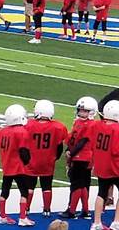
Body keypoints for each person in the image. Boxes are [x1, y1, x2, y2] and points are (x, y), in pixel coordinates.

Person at [24, 100, 68, 218]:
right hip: (48, 161)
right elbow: (59, 147)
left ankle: (26, 208)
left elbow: (23, 144)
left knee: (29, 186)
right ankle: (47, 209)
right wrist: (54, 158)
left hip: (32, 161)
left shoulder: (28, 125)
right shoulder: (58, 127)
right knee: (47, 186)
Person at [60, 96, 98, 219]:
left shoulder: (91, 124)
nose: (81, 112)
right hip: (81, 156)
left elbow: (82, 142)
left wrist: (71, 154)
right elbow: (73, 139)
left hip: (82, 157)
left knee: (77, 184)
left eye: (85, 110)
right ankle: (85, 211)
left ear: (91, 112)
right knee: (82, 184)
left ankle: (72, 211)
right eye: (80, 110)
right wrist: (68, 149)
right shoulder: (78, 122)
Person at [0, 104, 33, 226]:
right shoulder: (21, 132)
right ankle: (22, 217)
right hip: (18, 167)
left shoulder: (0, 132)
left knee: (4, 192)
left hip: (6, 166)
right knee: (24, 192)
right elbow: (23, 151)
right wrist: (27, 162)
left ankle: (2, 216)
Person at [90, 100, 119, 230]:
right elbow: (116, 150)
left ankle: (97, 222)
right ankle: (116, 222)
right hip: (115, 166)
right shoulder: (117, 129)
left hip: (102, 165)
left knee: (101, 193)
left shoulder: (97, 125)